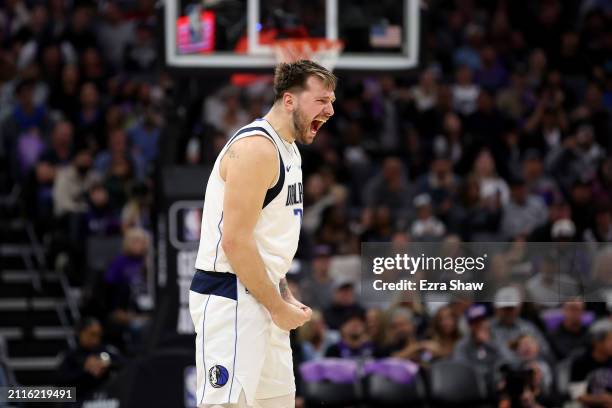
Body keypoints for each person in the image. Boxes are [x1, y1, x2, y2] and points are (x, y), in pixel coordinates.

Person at [189, 60, 336, 408]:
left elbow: (267, 241)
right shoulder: (257, 149)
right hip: (232, 297)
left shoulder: (290, 150)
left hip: (263, 294)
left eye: (332, 101)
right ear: (289, 101)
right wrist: (275, 304)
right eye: (321, 101)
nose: (330, 111)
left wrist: (281, 295)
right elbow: (235, 241)